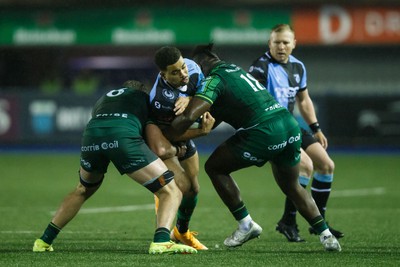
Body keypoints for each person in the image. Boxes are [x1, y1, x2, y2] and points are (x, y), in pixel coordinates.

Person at [163, 44, 342, 252]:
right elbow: (215, 118)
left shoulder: (213, 79)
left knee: (215, 167)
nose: (188, 75)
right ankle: (327, 236)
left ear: (200, 66)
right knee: (292, 187)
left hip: (263, 131)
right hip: (289, 124)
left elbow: (188, 117)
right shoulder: (234, 70)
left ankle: (246, 224)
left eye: (189, 69)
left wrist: (164, 134)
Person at [32, 80, 197, 255]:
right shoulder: (146, 99)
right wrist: (180, 147)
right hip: (122, 136)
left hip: (91, 136)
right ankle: (162, 241)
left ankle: (43, 241)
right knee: (171, 191)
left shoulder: (103, 100)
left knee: (83, 189)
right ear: (142, 90)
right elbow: (157, 147)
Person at [248, 24, 344, 242]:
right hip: (271, 128)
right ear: (269, 44)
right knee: (306, 167)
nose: (281, 47)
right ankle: (290, 221)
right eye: (276, 42)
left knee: (326, 165)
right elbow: (252, 103)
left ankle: (318, 222)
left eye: (285, 42)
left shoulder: (298, 67)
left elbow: (304, 99)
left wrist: (316, 128)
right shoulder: (260, 68)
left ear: (294, 44)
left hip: (291, 125)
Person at [144, 46, 212, 250]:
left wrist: (190, 98)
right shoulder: (160, 99)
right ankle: (164, 229)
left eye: (182, 67)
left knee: (194, 189)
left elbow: (204, 90)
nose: (183, 74)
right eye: (175, 72)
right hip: (164, 139)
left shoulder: (192, 67)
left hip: (182, 133)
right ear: (162, 74)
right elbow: (170, 134)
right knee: (182, 188)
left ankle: (181, 232)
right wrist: (201, 132)